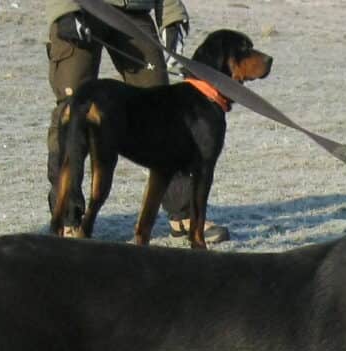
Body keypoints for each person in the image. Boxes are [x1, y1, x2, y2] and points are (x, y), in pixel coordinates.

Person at [45, 0, 230, 243]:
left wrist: (172, 14)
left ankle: (184, 213)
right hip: (82, 6)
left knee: (165, 108)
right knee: (74, 108)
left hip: (134, 10)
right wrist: (63, 8)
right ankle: (68, 218)